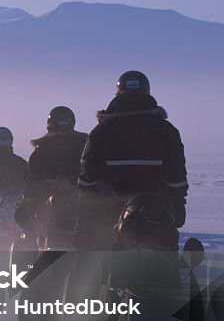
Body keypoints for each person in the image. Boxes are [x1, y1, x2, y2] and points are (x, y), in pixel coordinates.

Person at [76, 71, 187, 250]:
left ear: (118, 94)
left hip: (110, 215)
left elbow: (87, 179)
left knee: (99, 267)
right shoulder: (166, 131)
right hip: (156, 216)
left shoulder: (102, 131)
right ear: (147, 93)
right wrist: (177, 207)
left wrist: (85, 215)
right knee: (165, 265)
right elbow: (177, 178)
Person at [17, 106, 88, 247]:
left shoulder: (42, 149)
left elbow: (32, 183)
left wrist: (28, 204)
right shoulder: (86, 144)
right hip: (82, 207)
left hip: (57, 210)